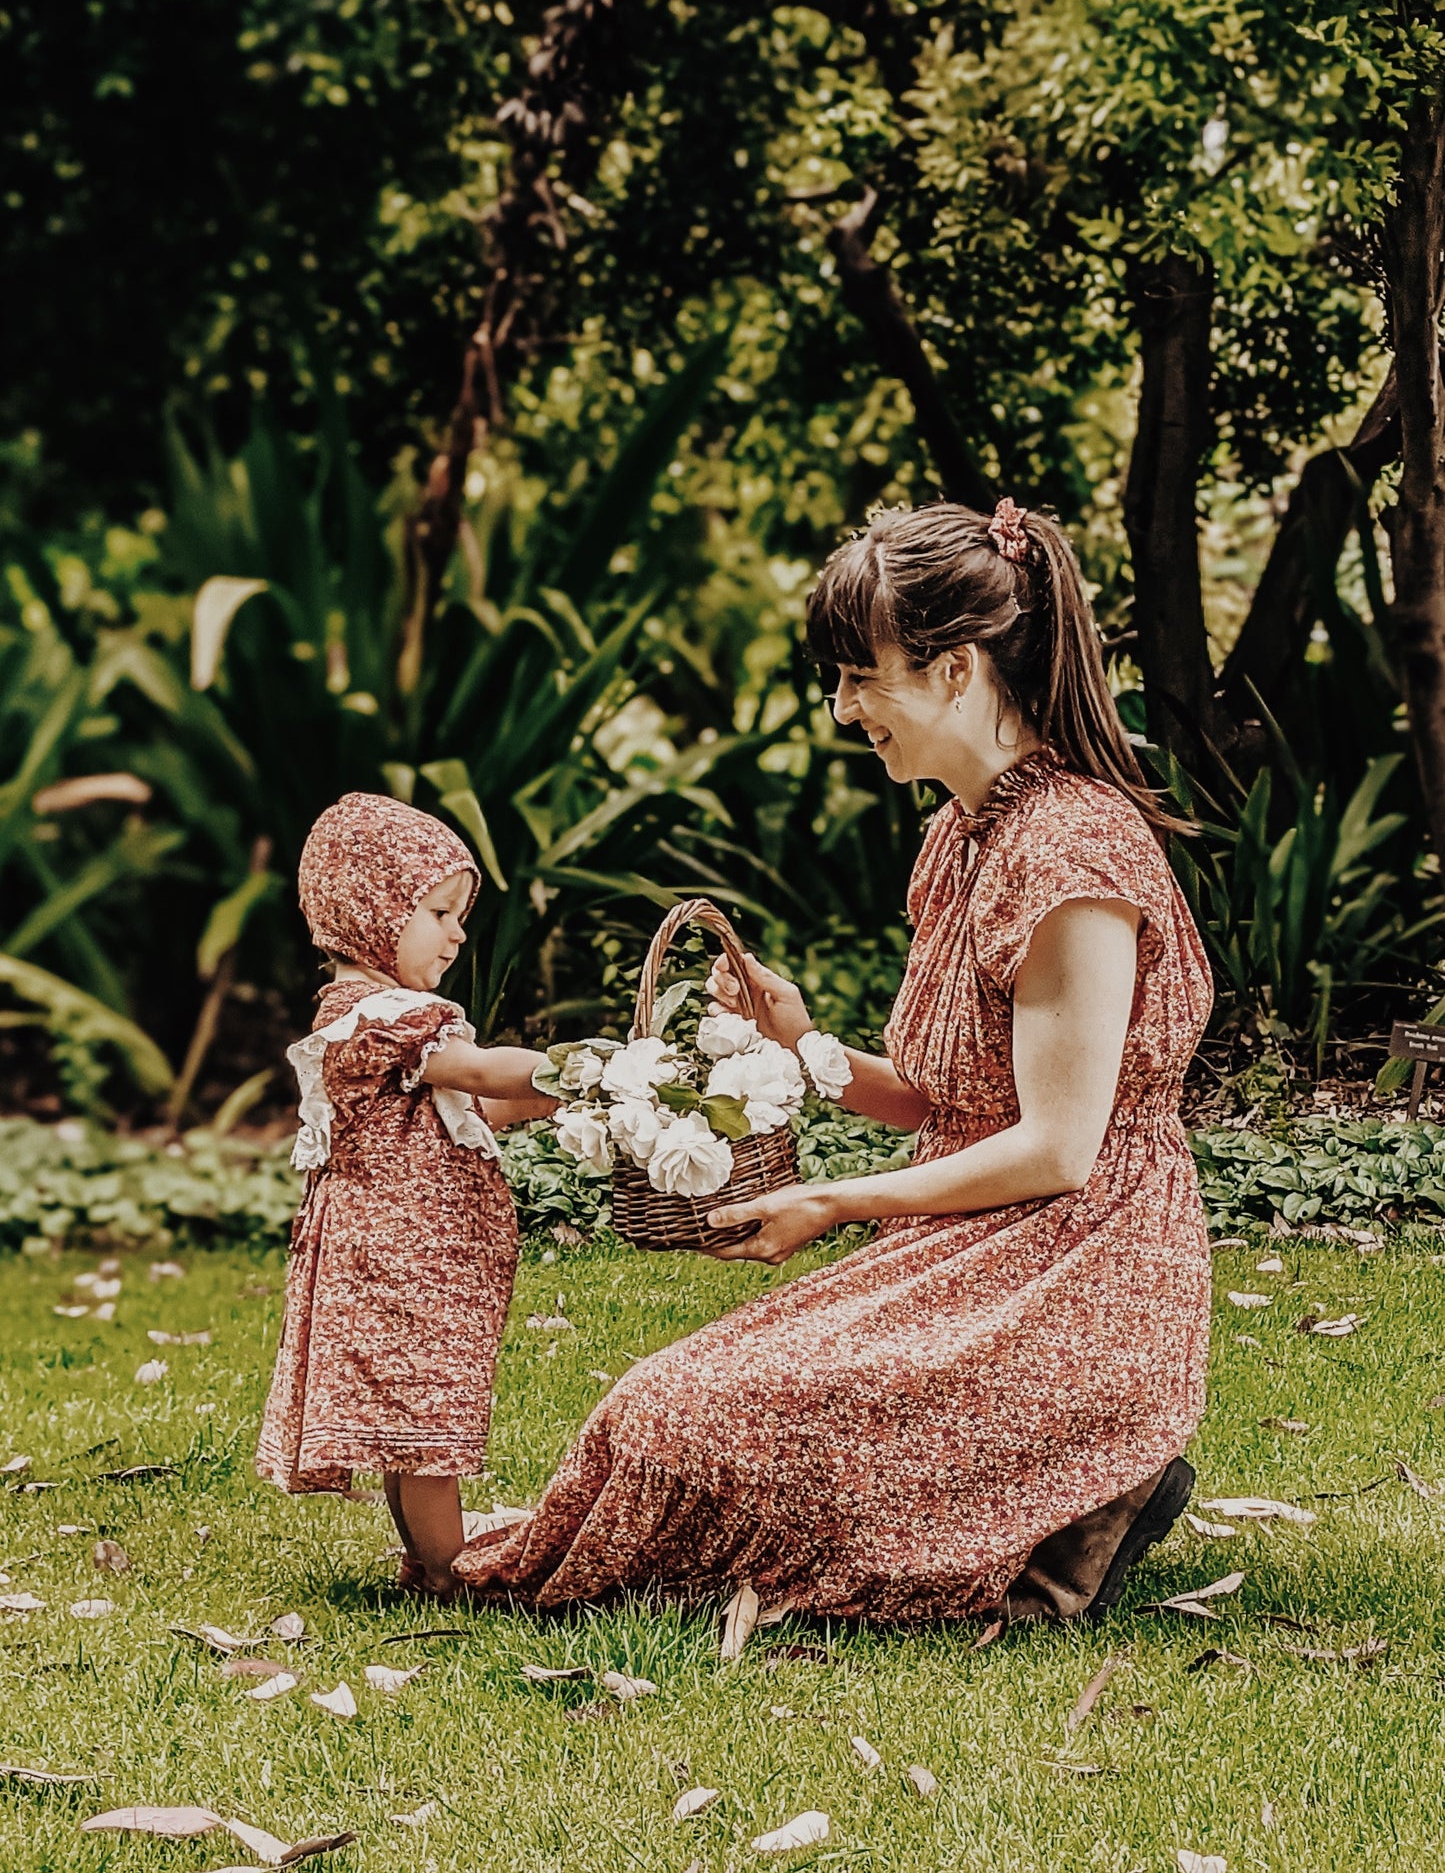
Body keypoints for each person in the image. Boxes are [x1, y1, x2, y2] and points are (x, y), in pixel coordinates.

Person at [452, 498, 1214, 1621]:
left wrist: (837, 1200)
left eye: (861, 676)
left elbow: (1057, 1148)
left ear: (954, 670)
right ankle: (1054, 1505)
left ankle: (1088, 1483)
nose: (842, 706)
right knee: (659, 1409)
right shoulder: (964, 831)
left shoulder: (1073, 856)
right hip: (973, 1251)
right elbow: (937, 1099)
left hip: (1077, 1272)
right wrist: (798, 1041)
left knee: (686, 1424)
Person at [256, 792, 556, 1600]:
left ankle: (431, 1563)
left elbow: (483, 1105)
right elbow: (483, 1071)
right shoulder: (377, 1016)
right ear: (372, 907)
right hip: (400, 1261)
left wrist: (572, 1099)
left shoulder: (401, 1021)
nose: (458, 932)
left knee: (416, 1421)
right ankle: (454, 1571)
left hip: (421, 1260)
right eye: (438, 911)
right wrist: (581, 1064)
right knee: (426, 1427)